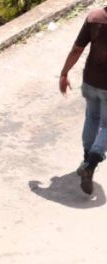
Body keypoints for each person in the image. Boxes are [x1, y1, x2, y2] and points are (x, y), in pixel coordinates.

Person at [59, 3, 107, 195]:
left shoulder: (94, 17)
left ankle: (87, 158)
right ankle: (92, 162)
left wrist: (64, 73)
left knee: (92, 118)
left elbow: (77, 49)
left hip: (90, 80)